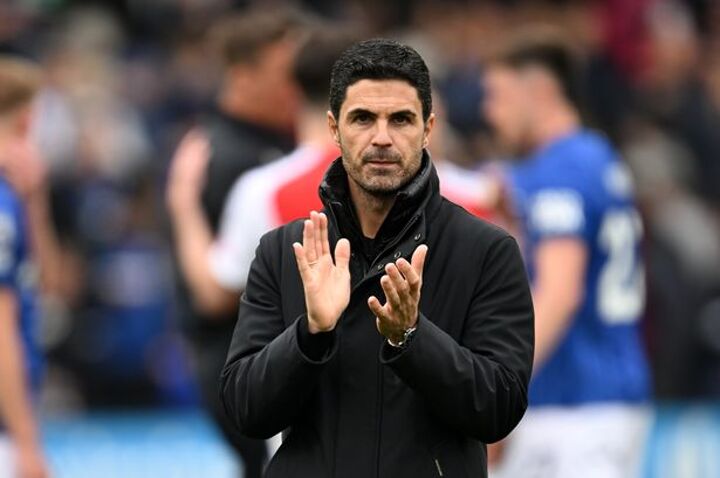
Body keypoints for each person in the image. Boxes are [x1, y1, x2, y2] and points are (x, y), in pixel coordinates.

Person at [220, 38, 534, 478]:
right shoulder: (283, 250)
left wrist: (412, 338)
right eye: (363, 118)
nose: (382, 138)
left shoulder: (486, 250)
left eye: (400, 119)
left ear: (428, 128)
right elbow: (246, 411)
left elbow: (501, 409)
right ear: (334, 128)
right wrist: (310, 334)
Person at [482, 29, 651, 477]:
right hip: (600, 399)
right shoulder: (593, 155)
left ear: (539, 92)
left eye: (499, 96)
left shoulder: (561, 168)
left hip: (574, 411)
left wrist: (500, 389)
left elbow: (559, 292)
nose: (490, 112)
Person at [166, 8, 310, 477]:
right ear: (242, 75)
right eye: (288, 72)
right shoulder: (226, 157)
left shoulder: (285, 144)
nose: (301, 84)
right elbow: (215, 294)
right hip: (242, 355)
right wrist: (183, 208)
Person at [0, 56, 49, 478]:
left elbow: (45, 282)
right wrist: (27, 442)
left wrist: (34, 199)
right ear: (27, 120)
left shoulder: (14, 193)